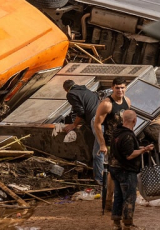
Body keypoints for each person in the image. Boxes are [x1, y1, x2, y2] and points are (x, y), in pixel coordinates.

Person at [110, 109, 154, 230]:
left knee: (118, 196)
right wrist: (144, 150)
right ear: (134, 120)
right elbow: (129, 154)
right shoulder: (128, 135)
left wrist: (141, 148)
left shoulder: (116, 133)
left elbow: (127, 149)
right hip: (126, 170)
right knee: (129, 196)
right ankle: (128, 224)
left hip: (115, 168)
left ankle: (116, 223)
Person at [94, 78, 132, 210]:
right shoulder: (107, 104)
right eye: (117, 88)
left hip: (125, 143)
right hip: (111, 142)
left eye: (122, 87)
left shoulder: (127, 101)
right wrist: (102, 144)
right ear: (112, 88)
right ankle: (109, 200)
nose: (120, 90)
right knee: (113, 172)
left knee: (125, 170)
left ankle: (121, 198)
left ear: (125, 88)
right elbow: (97, 124)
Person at [62, 80, 103, 184]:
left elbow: (80, 111)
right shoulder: (86, 90)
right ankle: (104, 178)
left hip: (96, 120)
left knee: (98, 152)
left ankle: (101, 180)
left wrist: (74, 125)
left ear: (66, 90)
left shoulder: (71, 94)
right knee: (101, 150)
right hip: (103, 117)